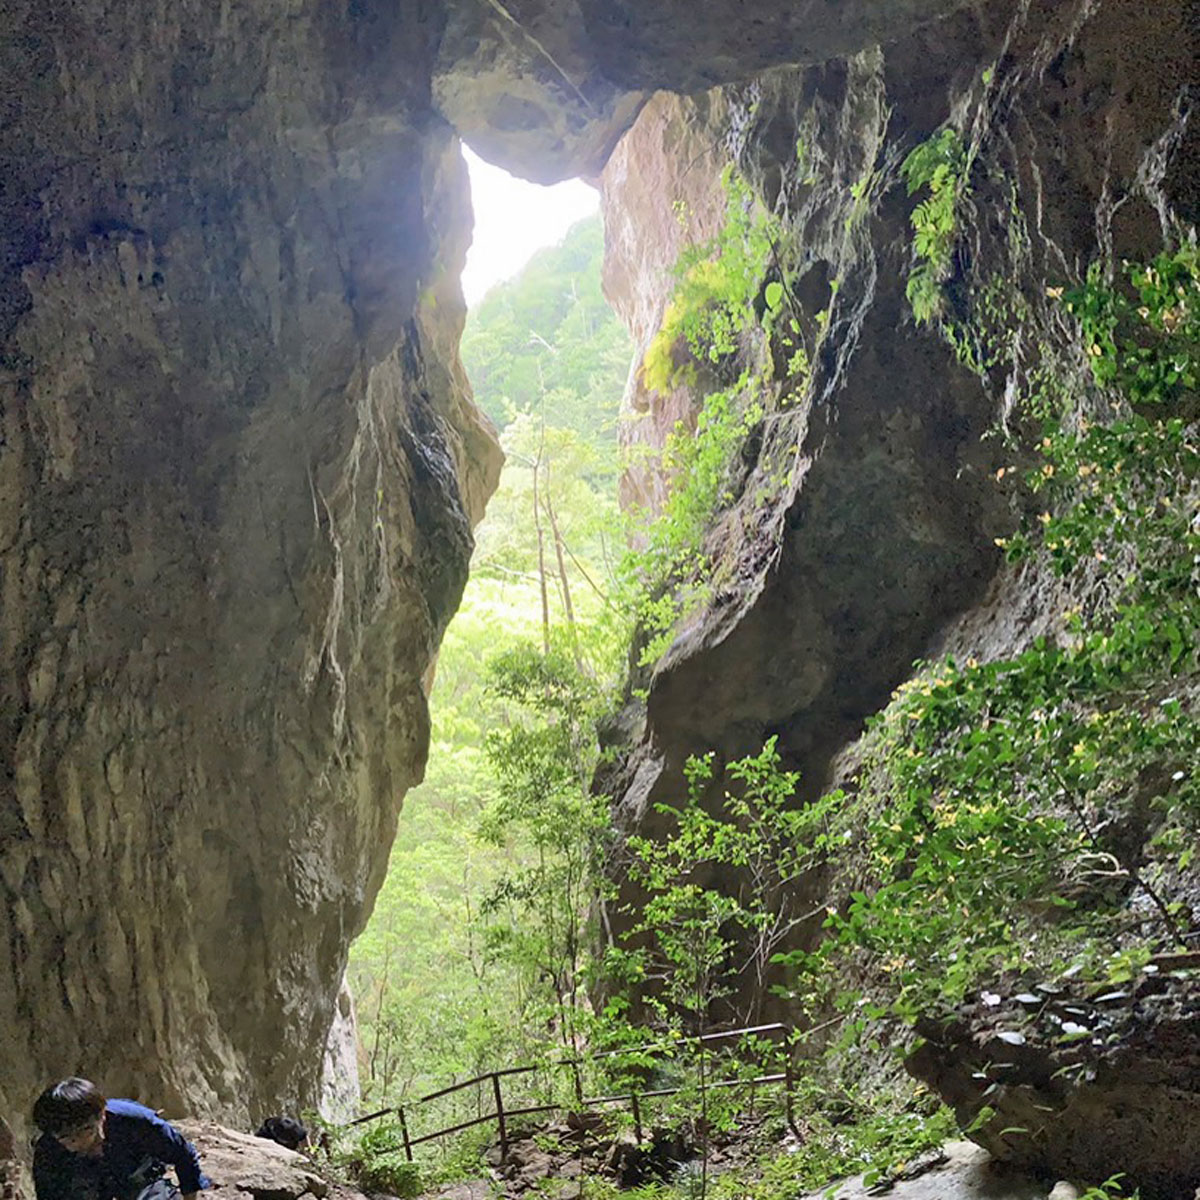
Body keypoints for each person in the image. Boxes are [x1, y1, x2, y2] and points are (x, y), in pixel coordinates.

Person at [31, 1078, 210, 1200]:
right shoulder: (49, 1151)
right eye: (66, 1138)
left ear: (102, 1116)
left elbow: (182, 1154)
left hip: (140, 1180)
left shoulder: (132, 1122)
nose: (77, 1142)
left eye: (84, 1131)